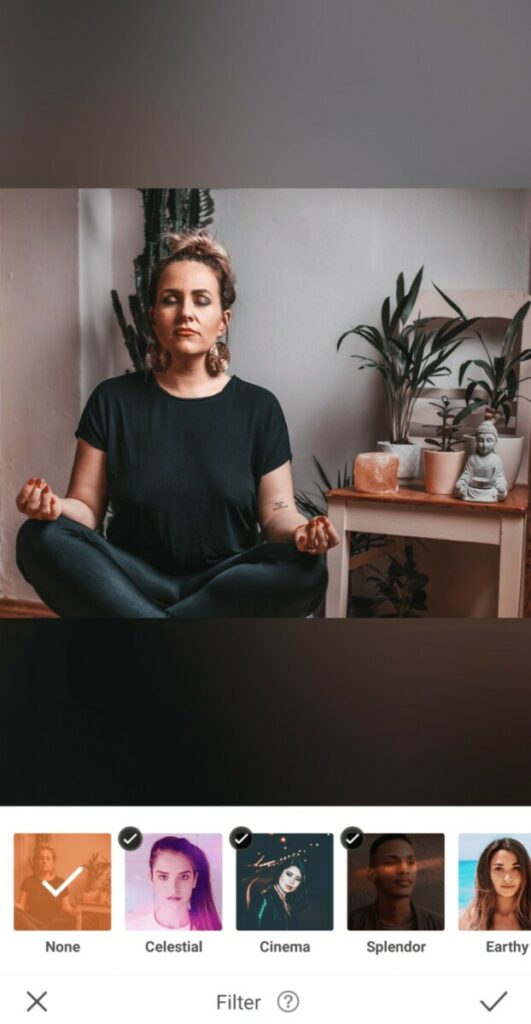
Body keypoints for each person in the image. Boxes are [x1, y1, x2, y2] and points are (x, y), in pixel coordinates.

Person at [15, 230, 338, 618]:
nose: (186, 312)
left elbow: (276, 514)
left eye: (201, 301)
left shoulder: (259, 407)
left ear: (223, 320)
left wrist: (302, 532)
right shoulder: (112, 400)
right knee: (38, 537)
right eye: (171, 300)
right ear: (153, 317)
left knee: (307, 568)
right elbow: (86, 508)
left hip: (224, 581)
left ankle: (145, 635)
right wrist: (52, 508)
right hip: (130, 576)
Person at [348, 834, 444, 930]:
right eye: (391, 862)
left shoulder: (440, 926)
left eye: (410, 862)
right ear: (372, 874)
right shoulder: (350, 925)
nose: (404, 870)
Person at [126, 835, 221, 931]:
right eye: (163, 877)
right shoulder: (131, 929)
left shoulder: (214, 930)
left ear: (194, 880)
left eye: (184, 877)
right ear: (151, 878)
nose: (173, 888)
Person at [460, 837, 531, 931]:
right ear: (486, 873)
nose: (508, 878)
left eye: (516, 868)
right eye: (499, 868)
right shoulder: (467, 922)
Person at [15, 843, 78, 930]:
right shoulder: (28, 881)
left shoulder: (61, 882)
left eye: (48, 858)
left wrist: (73, 911)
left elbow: (66, 908)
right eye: (41, 858)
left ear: (53, 862)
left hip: (53, 925)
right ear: (36, 862)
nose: (45, 861)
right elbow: (20, 906)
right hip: (32, 923)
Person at [246, 858, 307, 929]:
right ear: (280, 873)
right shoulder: (265, 899)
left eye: (298, 879)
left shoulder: (288, 899)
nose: (292, 881)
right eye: (289, 874)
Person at [455, 420, 508, 502]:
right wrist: (462, 481)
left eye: (489, 440)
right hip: (472, 489)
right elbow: (467, 474)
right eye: (480, 440)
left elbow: (499, 477)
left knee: (502, 493)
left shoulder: (496, 460)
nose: (484, 445)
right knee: (458, 491)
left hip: (489, 490)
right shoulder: (472, 458)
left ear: (495, 442)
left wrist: (501, 485)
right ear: (476, 441)